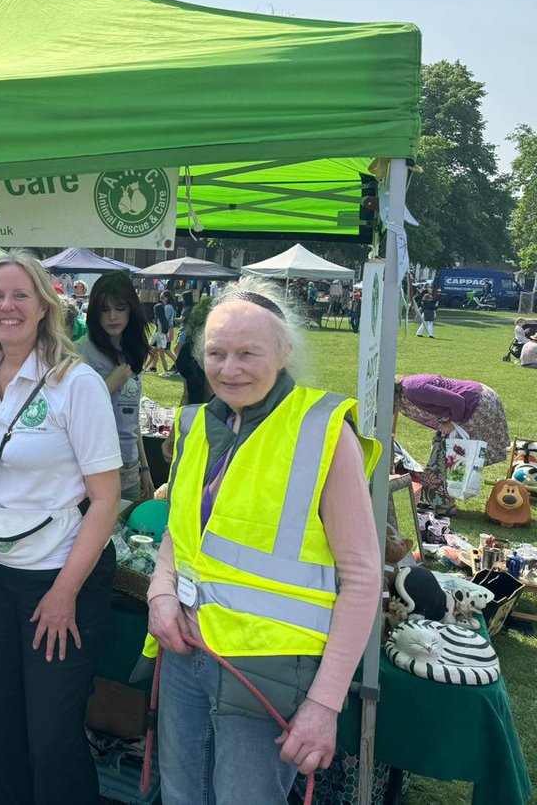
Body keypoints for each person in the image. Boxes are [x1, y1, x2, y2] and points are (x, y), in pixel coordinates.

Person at [144, 278, 381, 804]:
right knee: (181, 795)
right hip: (185, 654)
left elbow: (364, 579)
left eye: (248, 353)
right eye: (216, 353)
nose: (230, 369)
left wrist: (325, 704)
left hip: (268, 676)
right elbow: (179, 535)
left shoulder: (322, 431)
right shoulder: (198, 425)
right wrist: (160, 593)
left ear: (284, 352)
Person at [0, 251, 121, 804]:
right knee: (0, 727)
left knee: (51, 737)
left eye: (20, 295)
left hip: (59, 580)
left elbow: (107, 499)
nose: (6, 306)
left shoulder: (77, 383)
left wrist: (65, 591)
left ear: (45, 305)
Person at [77, 270, 155, 502]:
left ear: (131, 310)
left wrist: (145, 467)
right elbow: (69, 414)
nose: (112, 317)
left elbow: (131, 416)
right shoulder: (79, 353)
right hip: (93, 471)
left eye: (120, 309)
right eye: (105, 309)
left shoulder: (131, 351)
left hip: (130, 469)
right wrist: (109, 384)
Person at [395, 374, 510, 517]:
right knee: (444, 450)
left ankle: (442, 503)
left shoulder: (414, 389)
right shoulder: (406, 390)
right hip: (471, 403)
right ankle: (436, 500)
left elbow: (457, 401)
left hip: (477, 404)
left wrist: (452, 423)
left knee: (448, 455)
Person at [144, 289, 174, 374]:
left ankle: (167, 370)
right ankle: (151, 368)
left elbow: (159, 331)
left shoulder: (167, 309)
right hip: (163, 336)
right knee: (160, 354)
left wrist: (153, 342)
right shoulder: (163, 318)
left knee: (161, 353)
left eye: (162, 297)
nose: (161, 299)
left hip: (161, 337)